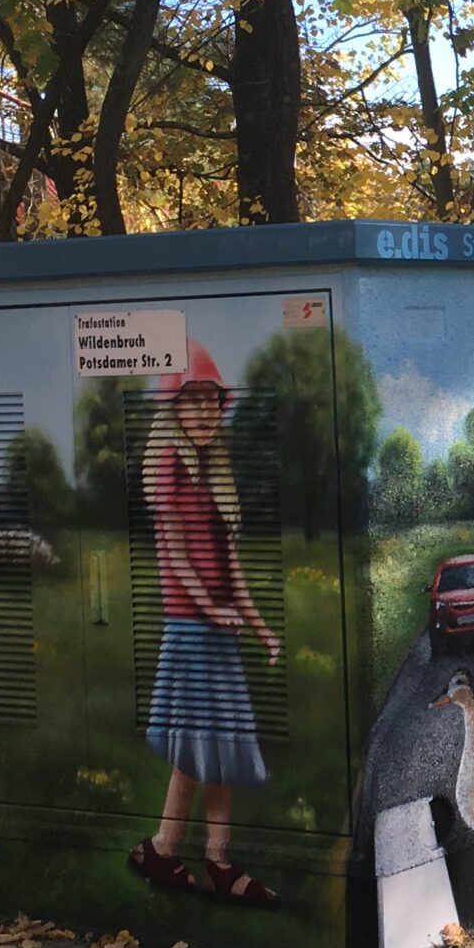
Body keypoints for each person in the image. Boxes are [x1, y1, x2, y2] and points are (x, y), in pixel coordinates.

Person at [128, 341, 283, 906]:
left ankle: (190, 855)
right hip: (190, 632)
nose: (202, 412)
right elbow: (174, 556)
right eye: (190, 401)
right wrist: (210, 609)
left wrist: (256, 622)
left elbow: (230, 564)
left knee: (217, 748)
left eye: (210, 401)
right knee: (201, 748)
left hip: (218, 634)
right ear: (173, 410)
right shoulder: (166, 465)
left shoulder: (216, 474)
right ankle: (171, 851)